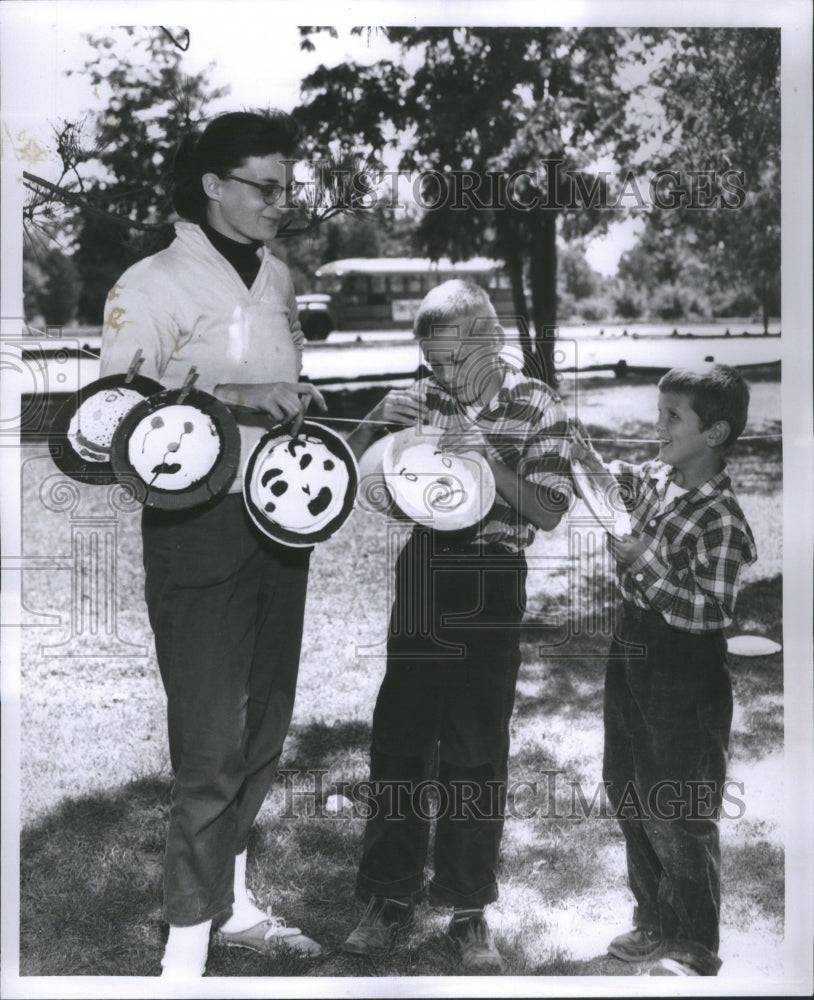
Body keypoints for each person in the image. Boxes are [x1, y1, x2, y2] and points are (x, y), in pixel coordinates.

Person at [99, 111, 328, 978]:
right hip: (196, 526)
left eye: (288, 187)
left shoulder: (277, 277)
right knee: (208, 742)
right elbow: (116, 415)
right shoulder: (151, 281)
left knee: (264, 725)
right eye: (266, 186)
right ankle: (184, 958)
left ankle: (229, 908)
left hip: (281, 519)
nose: (282, 201)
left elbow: (283, 380)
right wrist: (239, 397)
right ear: (213, 185)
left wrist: (293, 402)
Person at [341, 280, 573, 971]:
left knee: (475, 748)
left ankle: (469, 912)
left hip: (491, 578)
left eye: (450, 362)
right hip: (425, 568)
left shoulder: (539, 405)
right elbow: (350, 472)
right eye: (432, 363)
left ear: (490, 342)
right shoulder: (422, 396)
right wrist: (377, 419)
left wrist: (483, 456)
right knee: (400, 741)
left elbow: (548, 508)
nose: (440, 378)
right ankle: (388, 899)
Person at [571, 363, 757, 977]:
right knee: (627, 785)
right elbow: (608, 482)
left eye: (672, 417)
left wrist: (645, 559)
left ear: (716, 432)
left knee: (679, 802)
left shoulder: (723, 519)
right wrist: (570, 444)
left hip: (687, 668)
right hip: (633, 651)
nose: (658, 426)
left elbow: (711, 610)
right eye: (659, 413)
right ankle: (652, 917)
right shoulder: (656, 476)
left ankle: (693, 941)